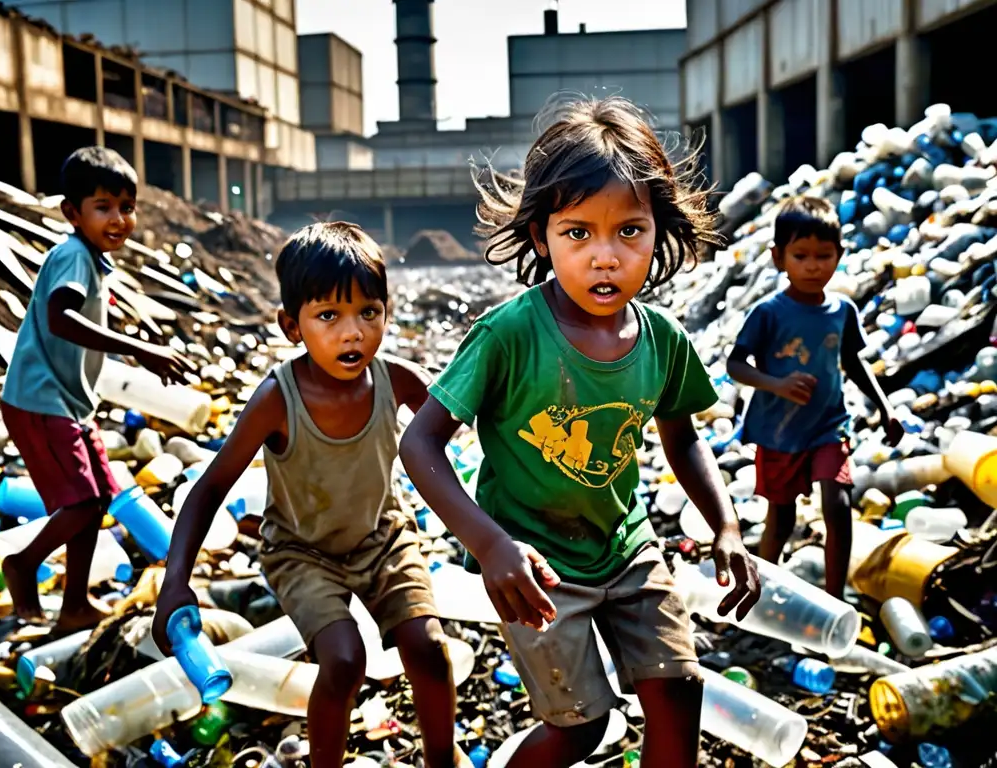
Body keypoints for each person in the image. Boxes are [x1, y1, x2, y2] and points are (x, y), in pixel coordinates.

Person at [399, 97, 762, 768]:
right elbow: (420, 443)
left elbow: (682, 440)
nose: (605, 257)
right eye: (578, 234)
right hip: (533, 566)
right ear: (542, 237)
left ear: (659, 233)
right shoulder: (510, 333)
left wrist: (726, 526)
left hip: (627, 549)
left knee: (679, 691)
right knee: (579, 728)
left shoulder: (662, 340)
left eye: (629, 231)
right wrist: (491, 545)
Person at [153, 222, 467, 768]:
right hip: (302, 553)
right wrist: (175, 580)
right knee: (344, 661)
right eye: (329, 316)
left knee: (429, 650)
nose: (353, 334)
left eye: (369, 313)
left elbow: (463, 420)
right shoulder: (279, 399)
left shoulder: (399, 380)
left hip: (385, 538)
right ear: (291, 325)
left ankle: (443, 759)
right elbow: (210, 487)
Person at [0, 146, 194, 632]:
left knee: (100, 498)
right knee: (81, 502)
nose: (118, 219)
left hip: (70, 402)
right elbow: (59, 318)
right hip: (39, 401)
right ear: (72, 212)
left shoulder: (90, 259)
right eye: (103, 207)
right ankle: (22, 564)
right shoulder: (71, 256)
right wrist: (140, 350)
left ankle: (75, 606)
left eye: (127, 207)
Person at [726, 195, 904, 598]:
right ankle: (760, 593)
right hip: (779, 432)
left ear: (839, 256)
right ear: (778, 258)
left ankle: (835, 600)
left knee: (839, 507)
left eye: (823, 256)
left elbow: (853, 363)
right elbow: (735, 365)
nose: (812, 266)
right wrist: (776, 384)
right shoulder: (768, 313)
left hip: (828, 424)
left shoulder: (842, 310)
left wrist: (886, 408)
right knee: (782, 519)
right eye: (800, 255)